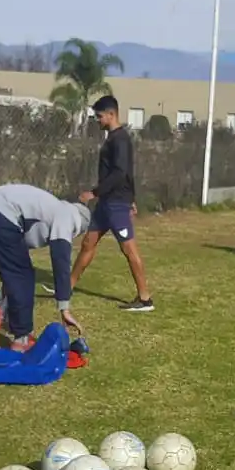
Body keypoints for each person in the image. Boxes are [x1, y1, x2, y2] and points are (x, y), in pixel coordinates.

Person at [0, 183, 91, 348]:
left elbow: (10, 260)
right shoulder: (68, 215)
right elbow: (61, 259)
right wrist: (64, 307)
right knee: (22, 276)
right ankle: (21, 339)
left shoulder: (50, 207)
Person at [69, 95, 154, 312]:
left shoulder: (121, 139)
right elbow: (126, 173)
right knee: (88, 243)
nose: (97, 120)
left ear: (111, 114)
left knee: (129, 249)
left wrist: (94, 193)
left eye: (99, 116)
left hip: (116, 204)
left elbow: (121, 173)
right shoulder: (111, 138)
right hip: (106, 205)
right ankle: (67, 287)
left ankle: (145, 299)